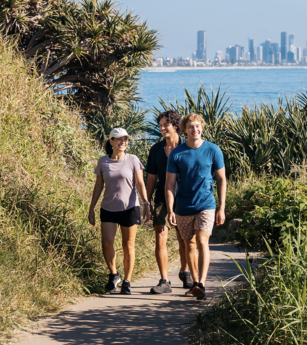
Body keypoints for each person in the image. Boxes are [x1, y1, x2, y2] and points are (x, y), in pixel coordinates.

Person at [165, 113, 226, 300]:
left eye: (198, 126)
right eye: (191, 127)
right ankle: (195, 283)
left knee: (201, 240)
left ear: (202, 128)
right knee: (189, 244)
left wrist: (222, 207)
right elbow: (169, 184)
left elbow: (222, 179)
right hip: (183, 205)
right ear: (184, 130)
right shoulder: (177, 153)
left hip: (206, 203)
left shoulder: (213, 150)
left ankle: (202, 283)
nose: (195, 130)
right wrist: (170, 209)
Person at [88, 128, 151, 295]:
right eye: (119, 139)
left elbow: (140, 183)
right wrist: (92, 207)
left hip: (130, 208)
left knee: (128, 245)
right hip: (108, 207)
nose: (123, 142)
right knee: (107, 243)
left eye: (125, 139)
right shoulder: (103, 162)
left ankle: (127, 281)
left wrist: (145, 203)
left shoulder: (133, 160)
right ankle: (114, 274)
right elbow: (99, 185)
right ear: (111, 141)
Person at [144, 110, 190, 294]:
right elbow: (151, 178)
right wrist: (147, 202)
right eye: (160, 125)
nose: (162, 128)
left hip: (185, 199)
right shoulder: (156, 149)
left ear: (175, 125)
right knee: (160, 236)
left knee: (184, 238)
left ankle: (185, 272)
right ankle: (164, 281)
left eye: (166, 125)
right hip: (162, 199)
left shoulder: (188, 146)